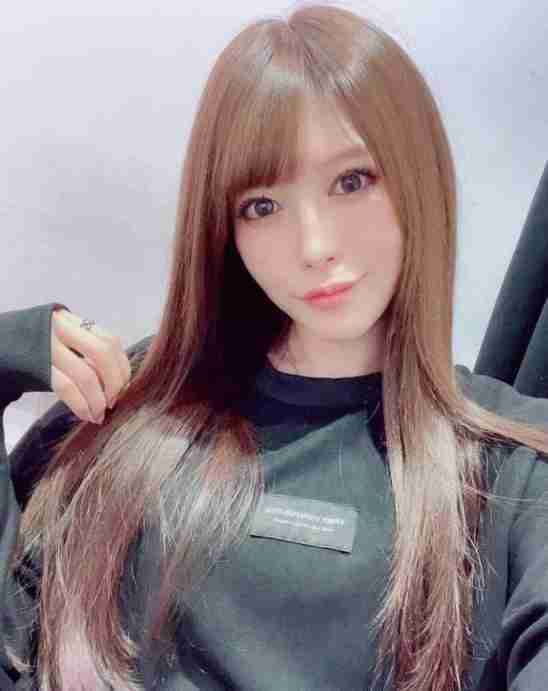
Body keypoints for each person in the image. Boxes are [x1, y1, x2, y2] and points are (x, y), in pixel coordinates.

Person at [1, 2, 548, 690]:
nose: (315, 246)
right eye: (262, 206)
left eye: (352, 181)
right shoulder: (138, 402)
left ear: (418, 176)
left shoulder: (511, 466)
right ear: (224, 227)